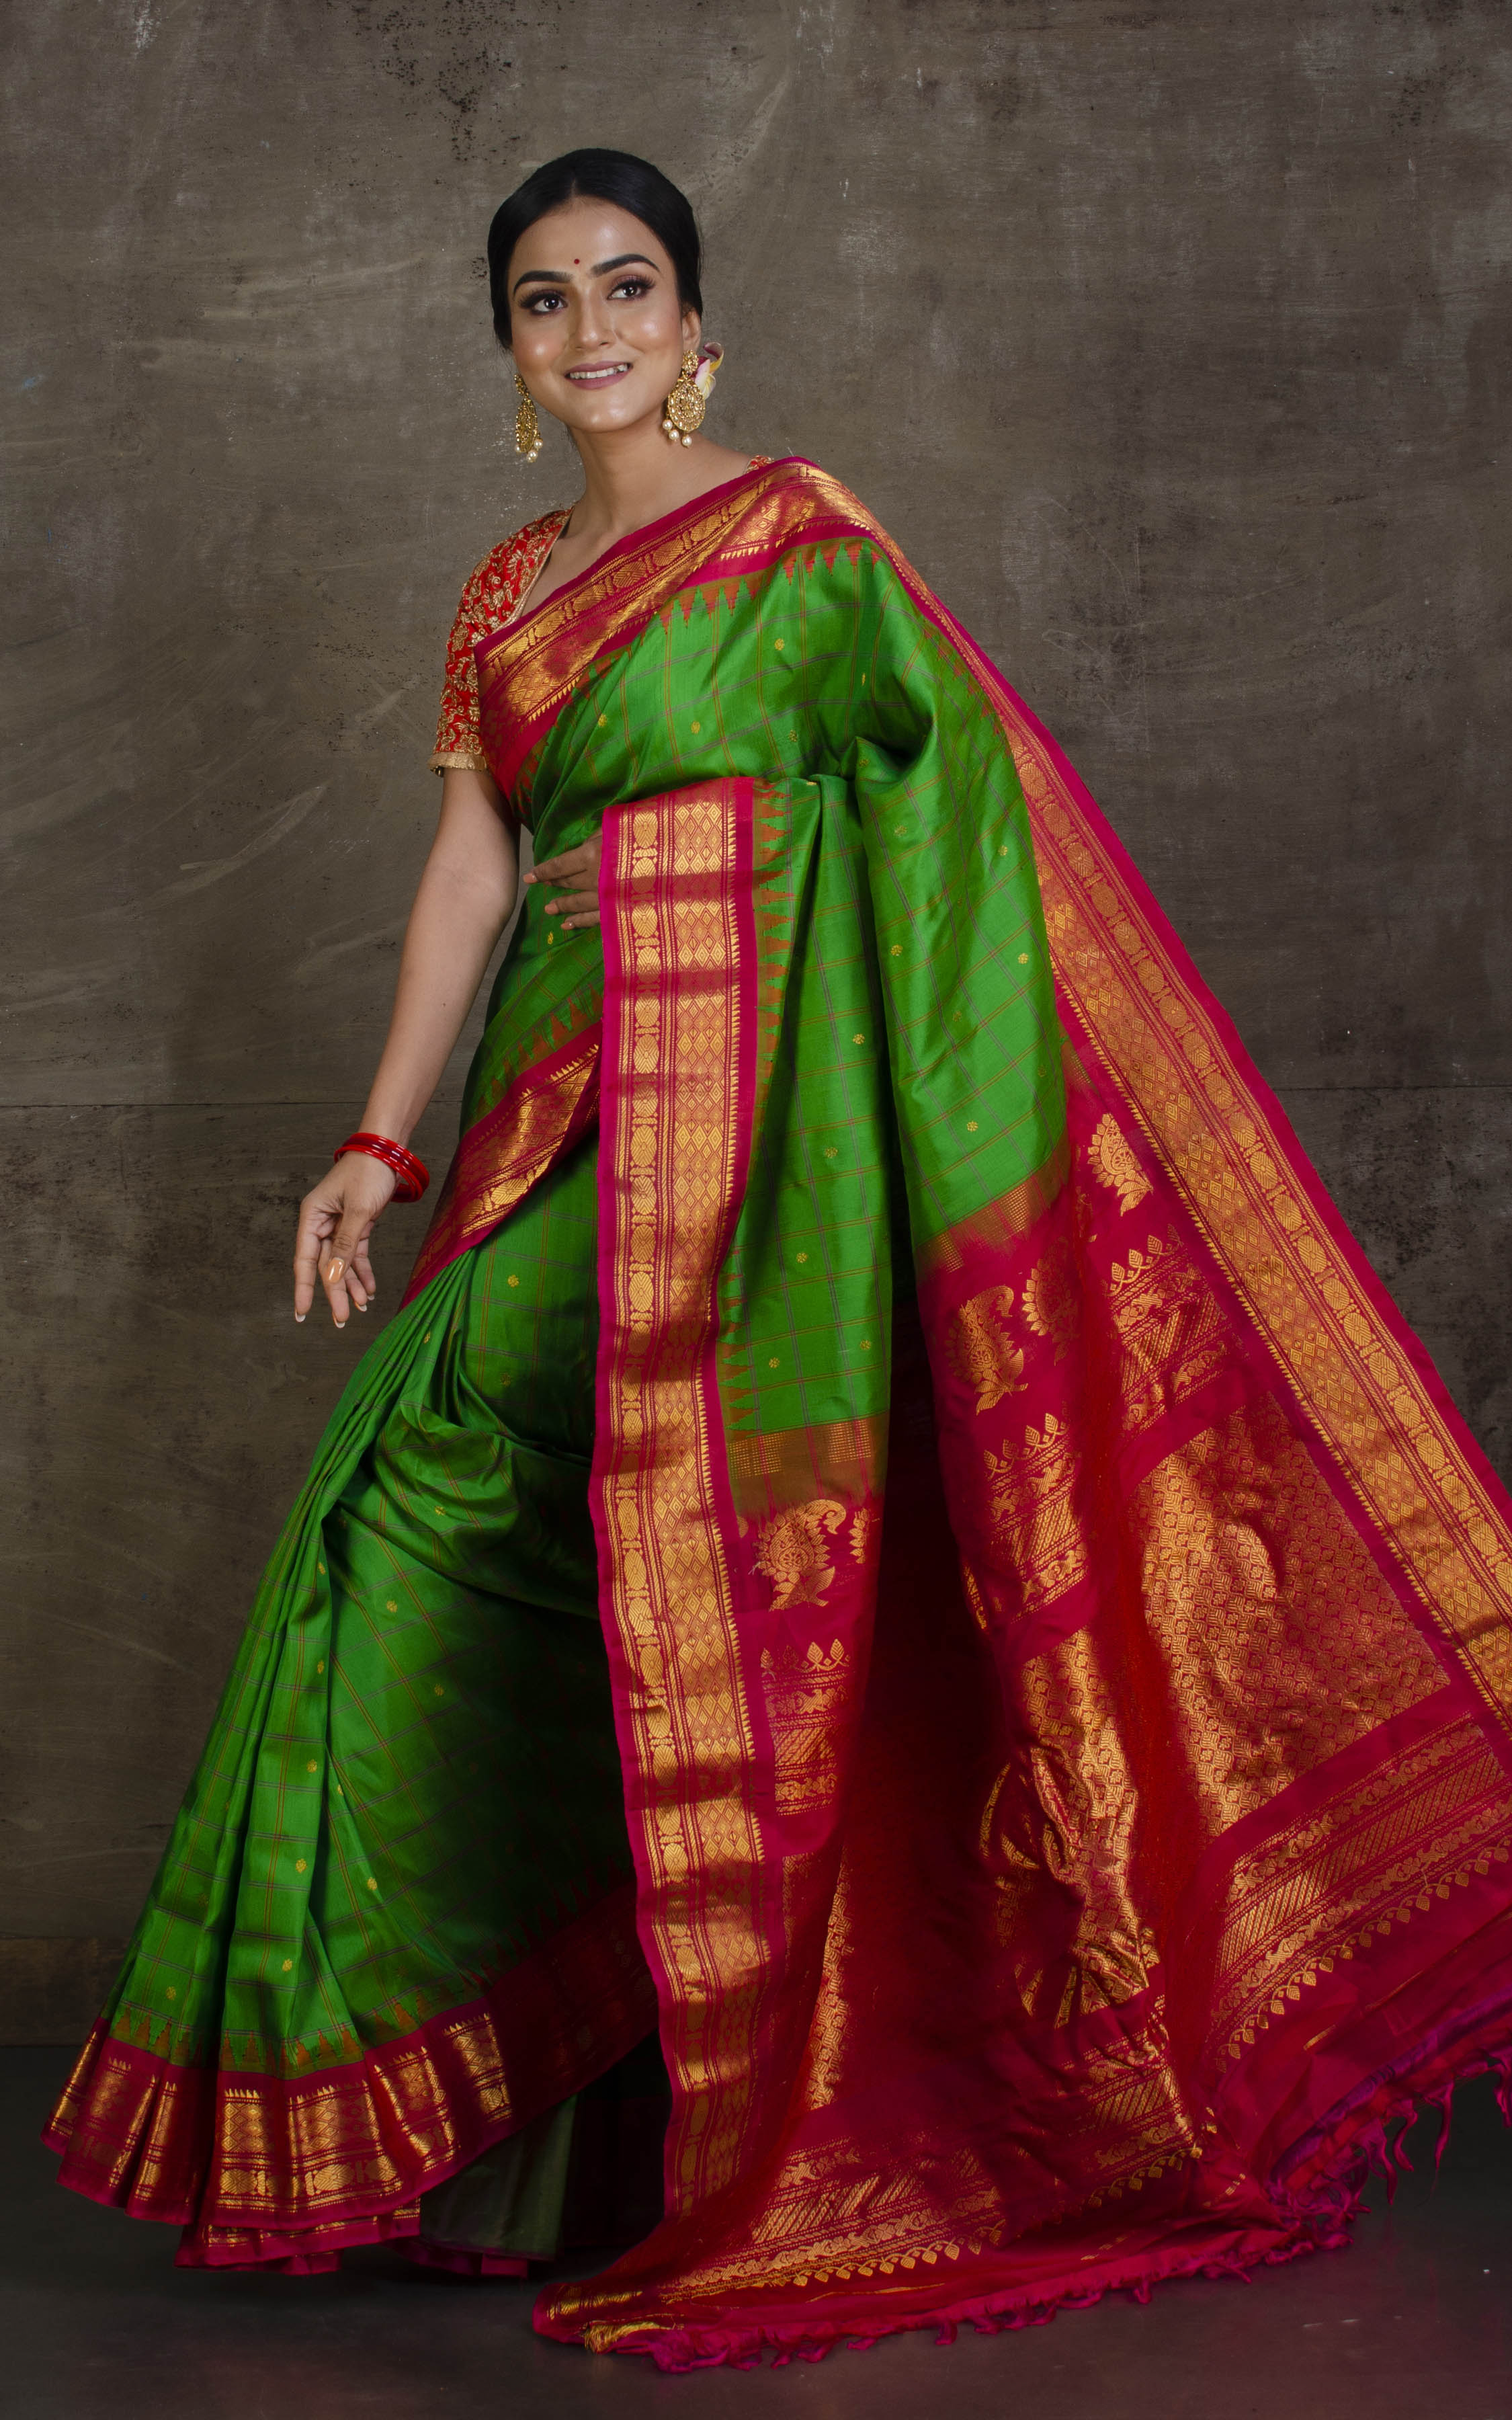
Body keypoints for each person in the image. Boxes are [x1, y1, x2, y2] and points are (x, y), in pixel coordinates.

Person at [46, 149, 1512, 2371]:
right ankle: (500, 2134)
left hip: (772, 1152)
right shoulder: (508, 591)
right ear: (510, 353)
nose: (591, 327)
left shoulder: (801, 542)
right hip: (564, 1117)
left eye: (626, 285)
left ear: (697, 327)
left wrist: (813, 1022)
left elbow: (963, 821)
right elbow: (472, 869)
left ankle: (756, 2131)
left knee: (726, 1574)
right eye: (545, 299)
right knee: (450, 1524)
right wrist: (377, 1139)